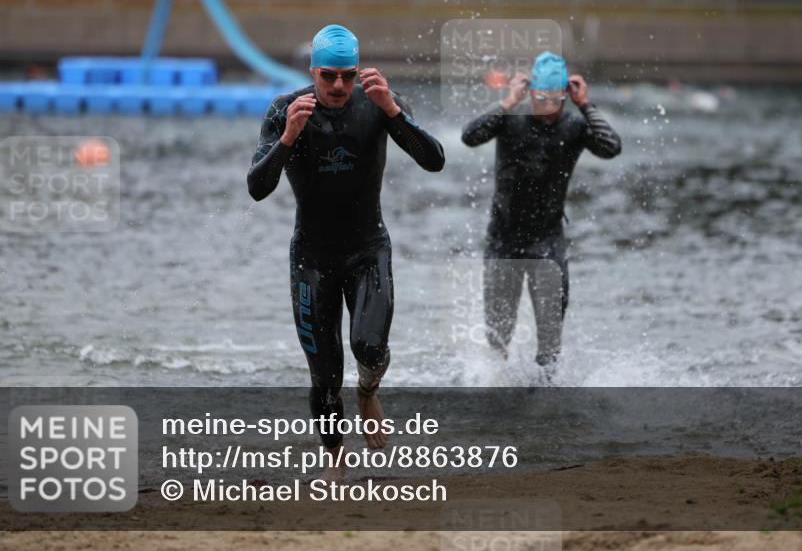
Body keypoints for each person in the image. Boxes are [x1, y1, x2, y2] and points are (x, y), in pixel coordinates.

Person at [247, 24, 444, 476]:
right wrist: (288, 137)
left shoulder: (377, 102)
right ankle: (335, 464)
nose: (339, 86)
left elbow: (434, 160)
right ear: (313, 71)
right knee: (326, 377)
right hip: (311, 258)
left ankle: (369, 390)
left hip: (366, 250)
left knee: (370, 347)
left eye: (348, 76)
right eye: (329, 76)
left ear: (359, 72)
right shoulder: (285, 110)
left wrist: (392, 111)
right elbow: (257, 188)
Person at [461, 51, 621, 378]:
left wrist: (586, 105)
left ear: (567, 94)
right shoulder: (510, 118)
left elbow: (611, 147)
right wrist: (507, 101)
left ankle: (548, 398)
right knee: (497, 335)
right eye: (542, 98)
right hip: (503, 238)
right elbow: (469, 136)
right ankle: (497, 394)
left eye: (557, 99)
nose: (549, 108)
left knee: (550, 340)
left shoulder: (574, 125)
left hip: (547, 241)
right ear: (531, 92)